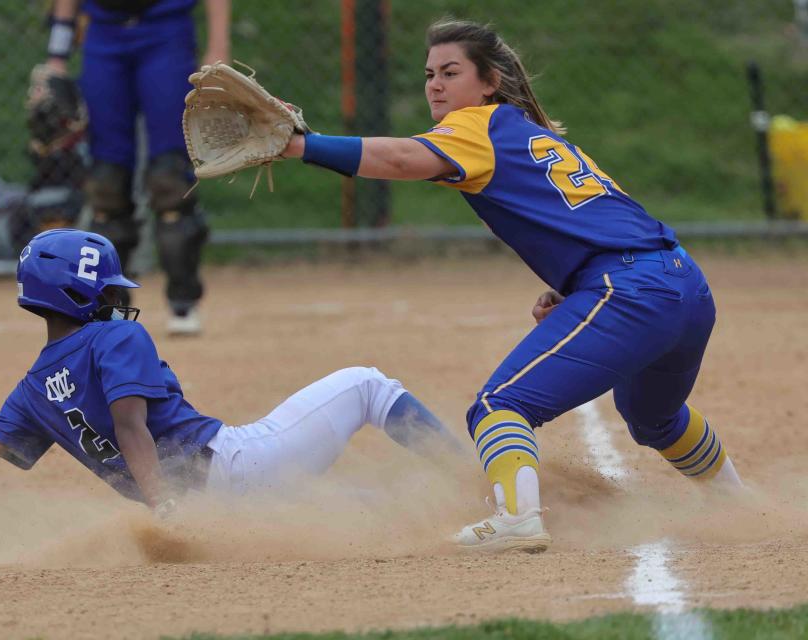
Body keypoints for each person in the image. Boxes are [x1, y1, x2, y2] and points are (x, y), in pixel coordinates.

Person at [279, 19, 743, 553]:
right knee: (653, 416)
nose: (435, 84)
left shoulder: (478, 126)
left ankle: (517, 517)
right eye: (429, 74)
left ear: (489, 82)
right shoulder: (533, 136)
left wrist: (301, 146)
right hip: (682, 282)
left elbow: (402, 158)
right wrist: (578, 285)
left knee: (499, 406)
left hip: (634, 289)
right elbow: (608, 219)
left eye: (451, 72)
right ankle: (737, 502)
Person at [0, 228, 462, 530]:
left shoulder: (30, 392)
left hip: (216, 514)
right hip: (234, 466)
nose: (117, 300)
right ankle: (476, 481)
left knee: (357, 505)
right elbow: (129, 425)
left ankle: (448, 511)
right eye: (108, 291)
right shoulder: (115, 338)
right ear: (77, 294)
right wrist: (163, 507)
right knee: (366, 385)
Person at [43, 0, 231, 336]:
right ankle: (110, 307)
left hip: (165, 29)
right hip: (103, 33)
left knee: (168, 176)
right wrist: (57, 55)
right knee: (106, 182)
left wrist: (218, 46)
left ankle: (182, 301)